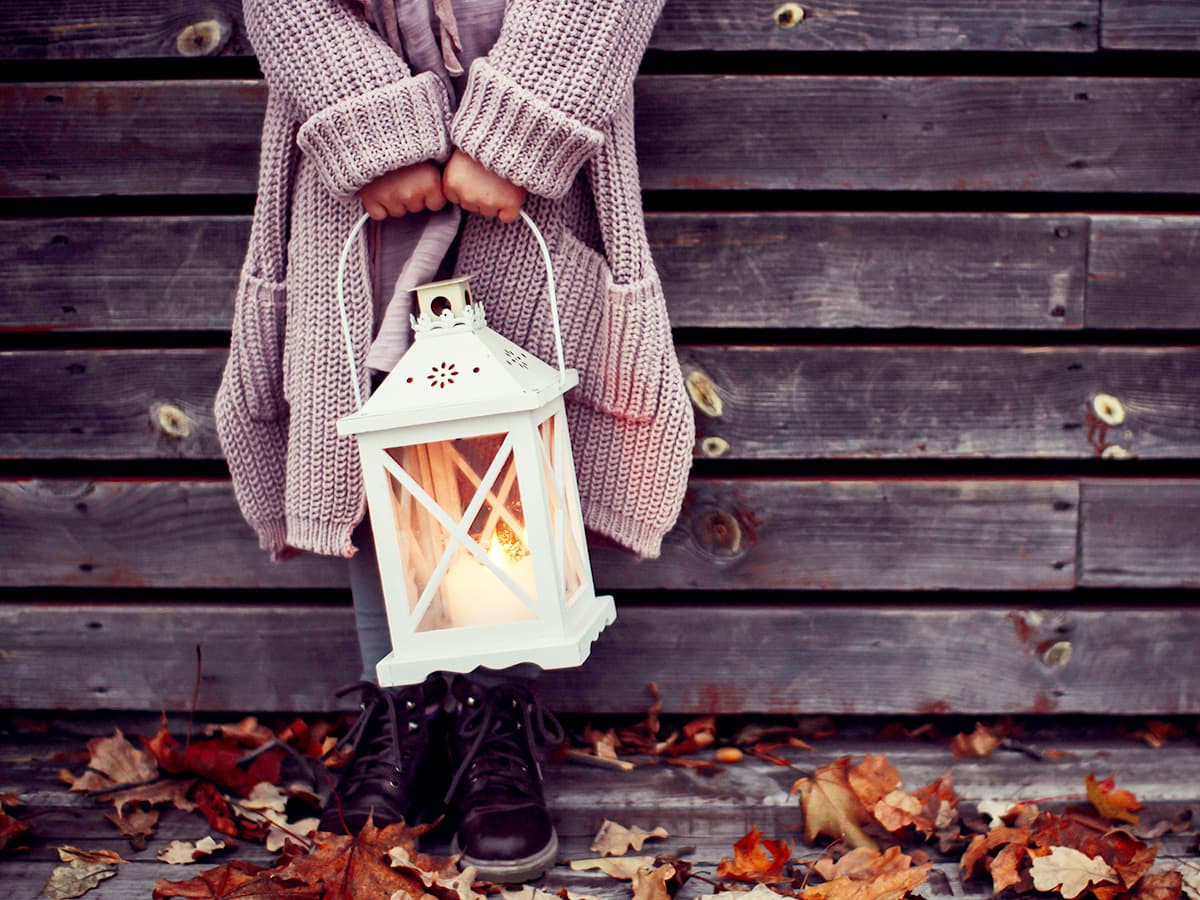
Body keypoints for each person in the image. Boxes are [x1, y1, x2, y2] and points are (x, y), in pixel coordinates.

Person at [215, 0, 694, 882]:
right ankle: (405, 708)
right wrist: (370, 127)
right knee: (374, 429)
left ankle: (493, 711)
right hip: (355, 182)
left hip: (531, 184)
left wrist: (518, 132)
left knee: (503, 428)